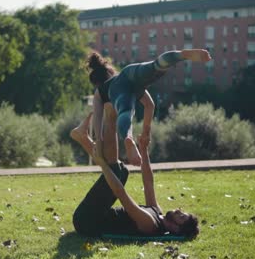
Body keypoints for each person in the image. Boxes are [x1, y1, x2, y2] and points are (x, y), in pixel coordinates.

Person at [71, 113, 199, 238]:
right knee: (123, 171)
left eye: (181, 217)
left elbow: (121, 194)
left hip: (86, 221)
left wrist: (102, 165)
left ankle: (103, 123)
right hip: (95, 214)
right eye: (182, 213)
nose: (178, 210)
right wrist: (144, 150)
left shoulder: (150, 224)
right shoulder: (157, 212)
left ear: (176, 228)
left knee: (116, 169)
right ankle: (83, 137)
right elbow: (148, 183)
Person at [87, 49, 211, 166]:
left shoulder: (101, 91)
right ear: (110, 72)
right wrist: (146, 131)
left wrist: (99, 140)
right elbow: (150, 105)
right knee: (155, 66)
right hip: (129, 72)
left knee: (125, 111)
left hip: (119, 92)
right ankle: (182, 55)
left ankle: (128, 138)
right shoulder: (121, 76)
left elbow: (97, 118)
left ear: (97, 82)